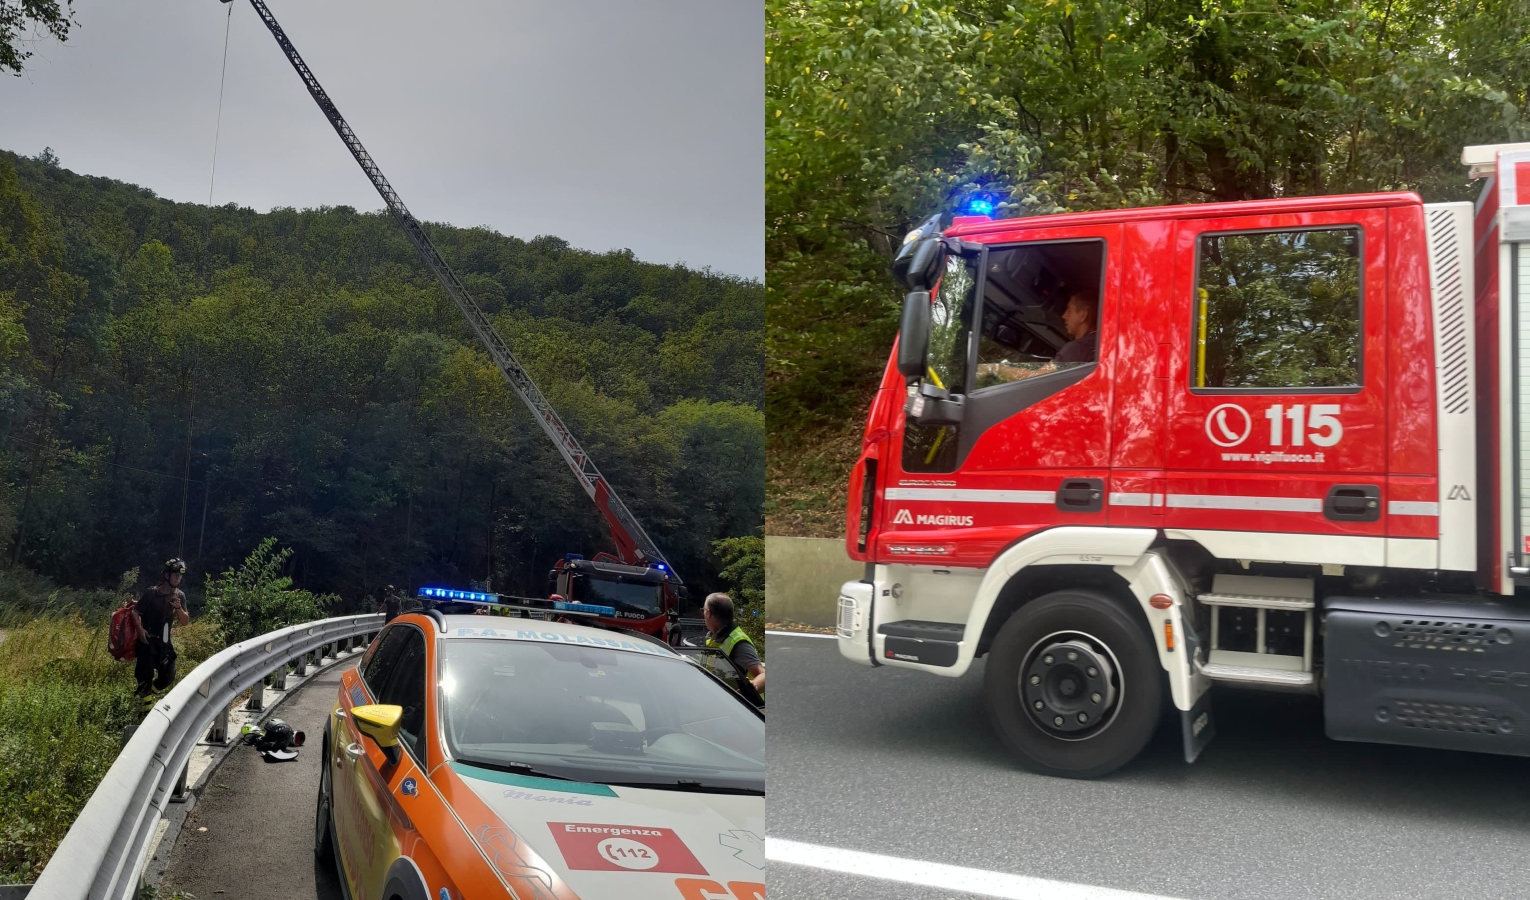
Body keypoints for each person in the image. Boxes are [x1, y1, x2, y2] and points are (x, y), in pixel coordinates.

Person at [136, 558, 191, 700]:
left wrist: (178, 608)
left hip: (165, 643)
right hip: (147, 642)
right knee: (144, 679)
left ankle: (148, 695)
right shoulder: (152, 593)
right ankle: (142, 709)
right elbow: (135, 612)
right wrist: (140, 630)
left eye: (180, 576)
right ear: (167, 576)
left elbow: (185, 622)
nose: (178, 578)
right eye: (175, 575)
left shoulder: (180, 596)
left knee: (168, 676)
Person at [703, 592, 764, 697]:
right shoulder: (713, 638)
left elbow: (763, 674)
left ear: (708, 613)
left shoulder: (738, 642)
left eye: (703, 610)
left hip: (740, 708)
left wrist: (749, 690)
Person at [1054, 289, 1099, 364]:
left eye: (1069, 310)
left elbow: (1043, 374)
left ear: (1083, 315)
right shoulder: (1101, 343)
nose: (1064, 316)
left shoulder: (1076, 349)